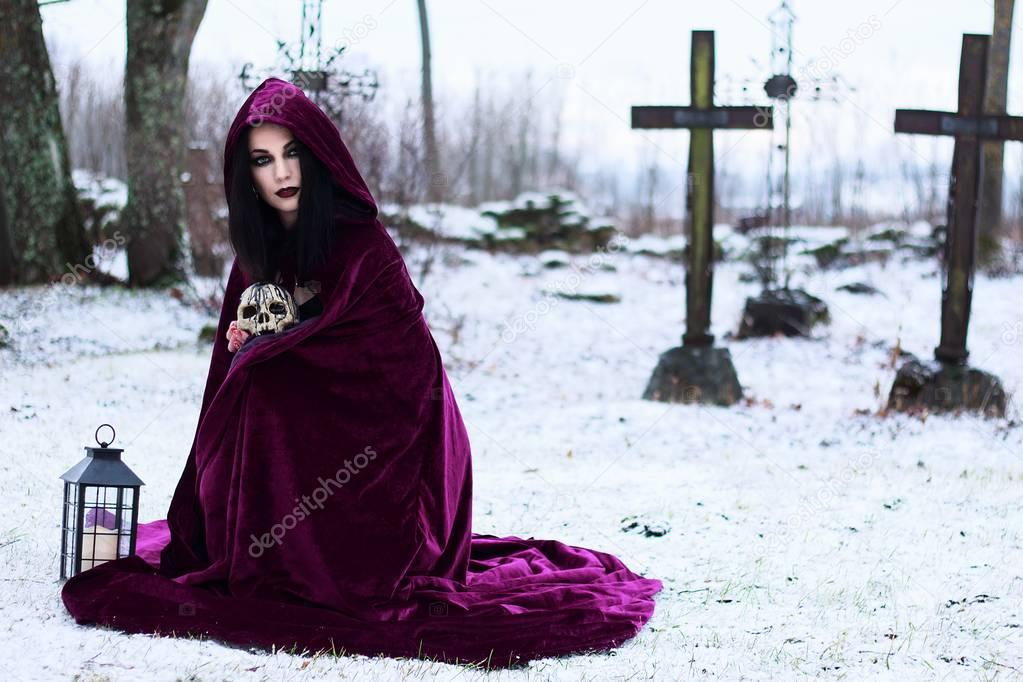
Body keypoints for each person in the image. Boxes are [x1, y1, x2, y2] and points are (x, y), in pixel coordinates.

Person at [61, 77, 662, 668]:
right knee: (261, 388)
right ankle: (262, 551)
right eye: (263, 160)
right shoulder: (257, 256)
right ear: (248, 175)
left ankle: (320, 561)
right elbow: (229, 369)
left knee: (272, 389)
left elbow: (405, 374)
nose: (282, 173)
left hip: (392, 449)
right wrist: (255, 349)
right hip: (292, 448)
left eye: (293, 153)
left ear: (318, 154)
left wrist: (285, 354)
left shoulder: (363, 244)